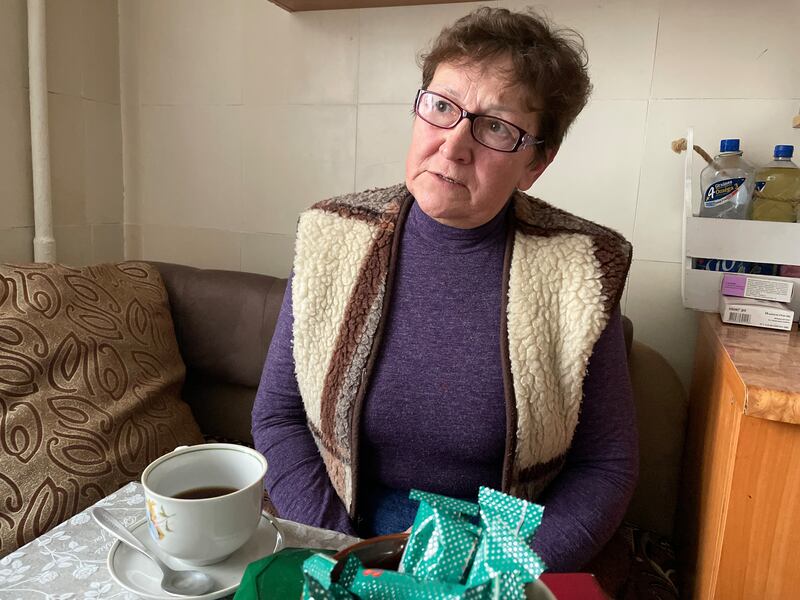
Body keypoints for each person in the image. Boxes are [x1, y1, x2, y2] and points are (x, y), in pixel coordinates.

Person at [252, 6, 637, 573]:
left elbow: (607, 465)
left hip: (500, 553)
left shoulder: (580, 266)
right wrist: (346, 557)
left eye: (498, 127)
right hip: (345, 534)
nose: (454, 145)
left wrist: (499, 577)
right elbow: (278, 418)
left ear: (536, 163)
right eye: (441, 106)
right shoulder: (330, 237)